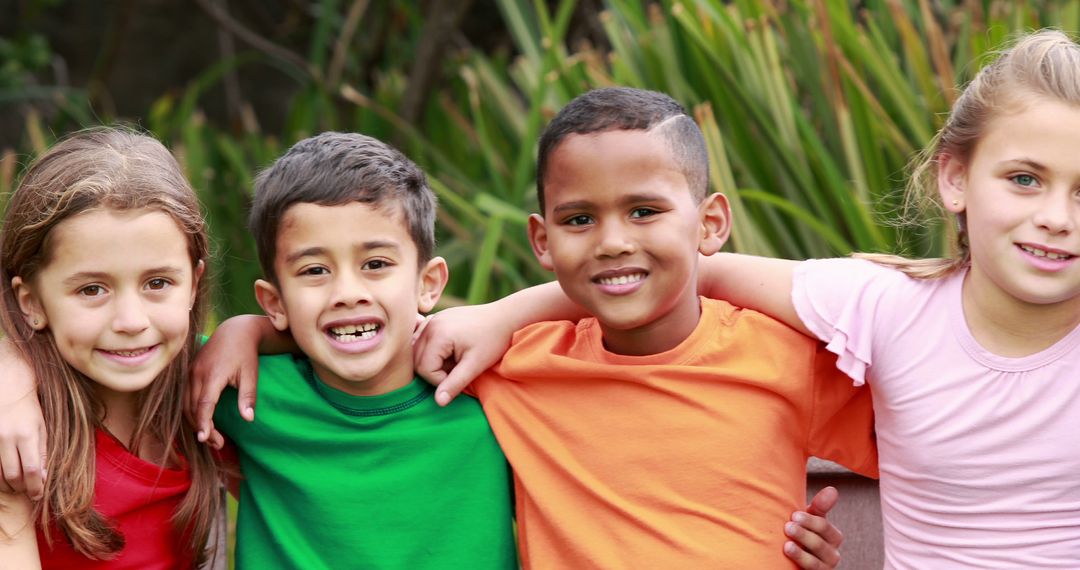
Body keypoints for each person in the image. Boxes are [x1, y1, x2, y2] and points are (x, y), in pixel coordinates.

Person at [417, 30, 1080, 568]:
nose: (1054, 216)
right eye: (1025, 179)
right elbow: (684, 272)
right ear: (955, 177)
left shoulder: (797, 353)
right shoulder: (883, 308)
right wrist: (503, 315)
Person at [197, 89, 876, 568]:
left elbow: (932, 415)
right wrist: (249, 330)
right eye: (580, 219)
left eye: (644, 211)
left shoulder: (783, 355)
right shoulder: (507, 370)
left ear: (712, 224)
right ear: (542, 240)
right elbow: (369, 332)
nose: (612, 242)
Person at [207, 132, 517, 569]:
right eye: (314, 270)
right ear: (275, 302)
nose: (347, 293)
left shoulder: (490, 392)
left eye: (375, 264)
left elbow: (628, 299)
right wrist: (244, 331)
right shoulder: (243, 391)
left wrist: (503, 315)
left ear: (428, 283)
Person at [0, 128, 222, 568]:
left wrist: (250, 332)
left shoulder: (213, 391)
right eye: (92, 289)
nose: (130, 322)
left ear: (194, 284)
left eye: (157, 283)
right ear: (33, 302)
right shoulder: (20, 435)